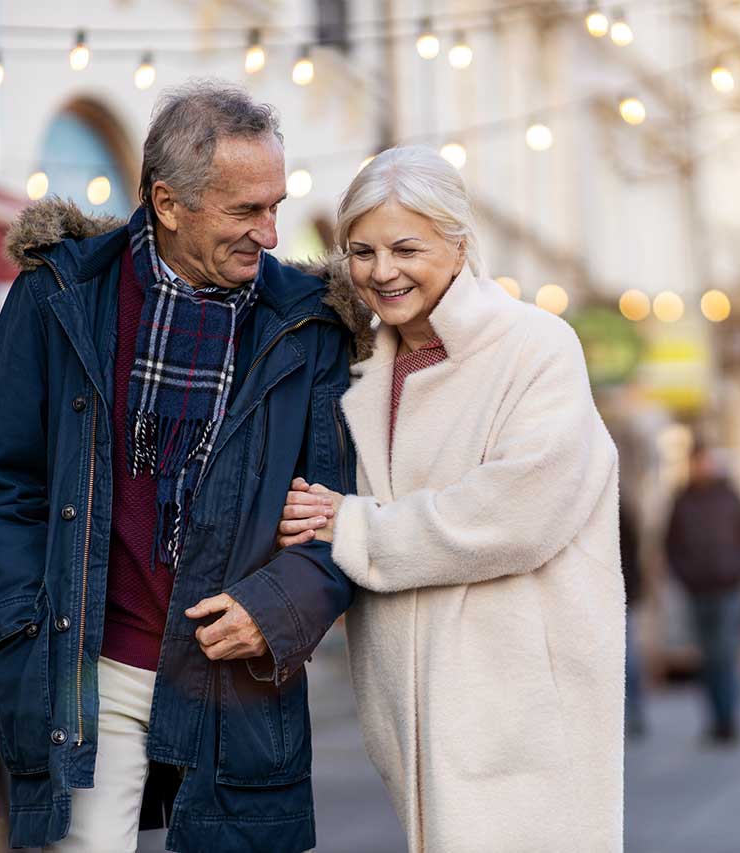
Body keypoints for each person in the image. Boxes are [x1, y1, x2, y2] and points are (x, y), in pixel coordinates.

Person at [0, 81, 364, 852]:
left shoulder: (310, 327)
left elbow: (340, 519)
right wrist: (20, 632)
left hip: (233, 685)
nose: (271, 234)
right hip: (83, 675)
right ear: (169, 204)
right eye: (247, 211)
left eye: (276, 205)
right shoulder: (60, 293)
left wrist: (275, 609)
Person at [276, 146, 625, 851]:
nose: (382, 270)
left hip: (523, 695)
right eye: (362, 251)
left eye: (407, 247)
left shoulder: (536, 346)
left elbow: (516, 513)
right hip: (410, 700)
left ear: (459, 243)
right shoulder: (358, 364)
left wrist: (353, 526)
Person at [664, 445, 740, 745]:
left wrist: (739, 570)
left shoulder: (732, 497)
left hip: (728, 589)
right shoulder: (682, 501)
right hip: (697, 590)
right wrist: (685, 575)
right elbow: (670, 545)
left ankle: (730, 719)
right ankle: (714, 720)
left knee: (725, 653)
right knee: (707, 658)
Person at [621, 498, 648, 738]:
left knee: (627, 658)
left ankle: (635, 713)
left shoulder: (620, 510)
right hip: (591, 594)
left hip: (620, 594)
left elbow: (633, 555)